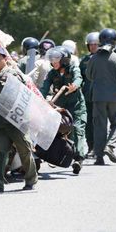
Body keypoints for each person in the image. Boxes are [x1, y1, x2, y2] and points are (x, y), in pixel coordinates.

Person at [0, 46, 38, 192]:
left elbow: (22, 93)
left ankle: (31, 180)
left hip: (16, 120)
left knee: (24, 149)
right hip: (1, 120)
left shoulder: (12, 74)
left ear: (5, 59)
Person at [41, 46, 87, 174]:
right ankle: (62, 155)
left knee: (78, 129)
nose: (54, 62)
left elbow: (79, 78)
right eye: (52, 59)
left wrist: (75, 86)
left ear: (65, 60)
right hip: (61, 108)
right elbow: (44, 88)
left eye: (57, 59)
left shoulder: (73, 68)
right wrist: (39, 98)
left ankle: (78, 159)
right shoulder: (52, 73)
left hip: (76, 106)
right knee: (63, 132)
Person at [86, 28, 116, 165]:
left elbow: (89, 76)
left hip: (98, 97)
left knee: (99, 126)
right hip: (115, 97)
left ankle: (99, 158)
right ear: (115, 41)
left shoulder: (93, 58)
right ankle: (109, 146)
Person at [79, 32, 99, 158]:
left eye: (95, 44)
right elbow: (80, 77)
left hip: (100, 94)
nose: (92, 47)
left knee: (99, 122)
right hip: (87, 95)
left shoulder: (104, 58)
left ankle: (99, 147)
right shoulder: (85, 60)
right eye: (90, 44)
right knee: (89, 123)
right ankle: (91, 146)